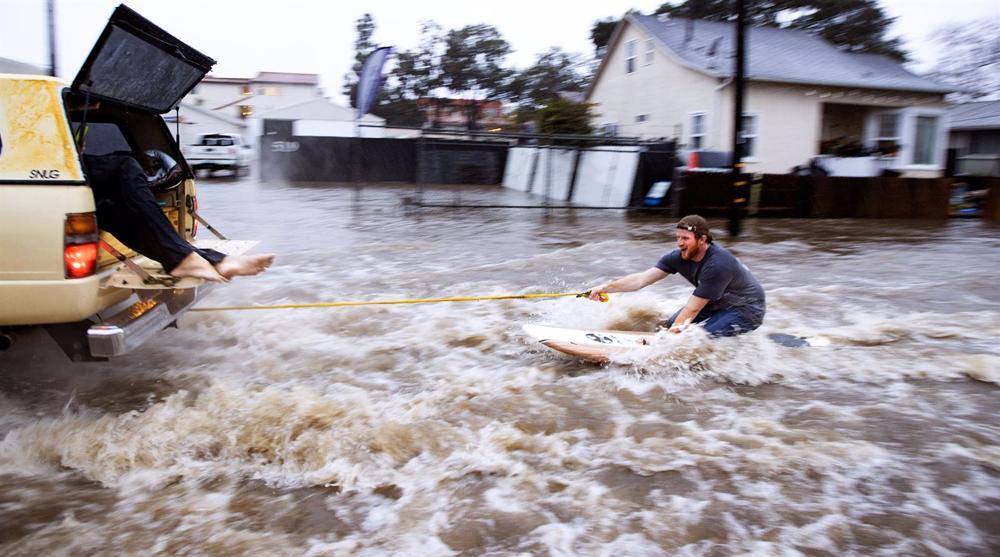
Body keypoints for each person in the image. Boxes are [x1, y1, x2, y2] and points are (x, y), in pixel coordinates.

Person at [83, 150, 274, 283]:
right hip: (59, 167)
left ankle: (214, 260)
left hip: (69, 169)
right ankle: (184, 260)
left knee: (109, 208)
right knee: (124, 165)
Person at [587, 215, 765, 337]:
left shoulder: (718, 265)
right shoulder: (677, 257)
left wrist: (666, 344)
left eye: (685, 238)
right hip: (717, 301)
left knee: (699, 339)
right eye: (678, 237)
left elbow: (692, 309)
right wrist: (604, 288)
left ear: (702, 239)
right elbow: (641, 280)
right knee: (672, 324)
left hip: (746, 309)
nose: (680, 243)